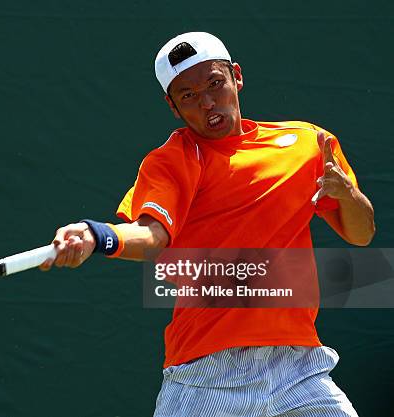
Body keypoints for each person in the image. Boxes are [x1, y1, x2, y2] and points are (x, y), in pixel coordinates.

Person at [40, 32, 375, 416]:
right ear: (173, 106)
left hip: (299, 367)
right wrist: (96, 235)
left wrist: (350, 195)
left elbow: (361, 234)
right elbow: (152, 236)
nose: (208, 102)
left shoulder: (308, 144)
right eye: (188, 95)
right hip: (206, 373)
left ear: (237, 76)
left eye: (215, 83)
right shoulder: (171, 161)